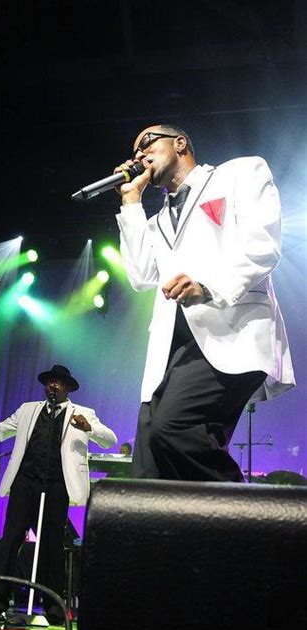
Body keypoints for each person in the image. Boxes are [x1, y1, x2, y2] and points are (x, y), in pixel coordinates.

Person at [115, 122, 295, 483]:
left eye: (147, 144)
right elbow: (140, 276)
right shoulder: (157, 220)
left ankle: (250, 524)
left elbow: (263, 246)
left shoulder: (240, 172)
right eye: (135, 152)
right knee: (148, 458)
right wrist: (131, 202)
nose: (139, 156)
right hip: (174, 352)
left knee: (174, 430)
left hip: (232, 332)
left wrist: (208, 287)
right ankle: (177, 536)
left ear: (180, 143)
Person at [0, 364, 117, 624]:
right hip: (26, 481)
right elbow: (4, 428)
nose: (53, 386)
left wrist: (88, 428)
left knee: (51, 544)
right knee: (11, 538)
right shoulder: (28, 409)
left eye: (59, 382)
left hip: (58, 484)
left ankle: (53, 606)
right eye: (50, 381)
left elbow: (110, 439)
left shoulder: (83, 413)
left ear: (67, 388)